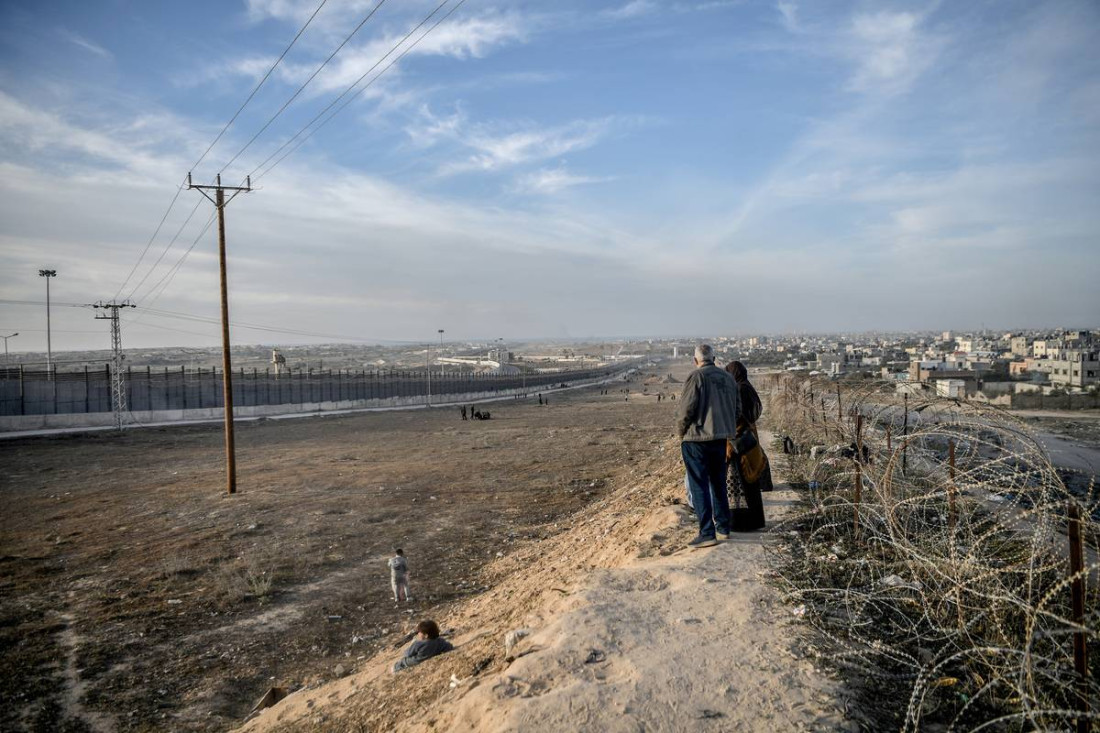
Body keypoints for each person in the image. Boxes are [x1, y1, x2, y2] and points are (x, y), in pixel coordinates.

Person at [677, 344, 740, 548]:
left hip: (697, 439)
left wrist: (682, 432)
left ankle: (707, 533)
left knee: (699, 486)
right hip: (721, 438)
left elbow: (686, 409)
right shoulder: (728, 378)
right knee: (718, 483)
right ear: (714, 357)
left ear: (696, 361)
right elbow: (737, 410)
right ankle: (723, 528)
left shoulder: (697, 377)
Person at [724, 361, 771, 531]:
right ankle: (754, 521)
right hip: (748, 439)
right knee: (750, 485)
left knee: (739, 483)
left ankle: (741, 523)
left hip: (739, 441)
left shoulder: (740, 389)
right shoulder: (748, 387)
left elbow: (738, 416)